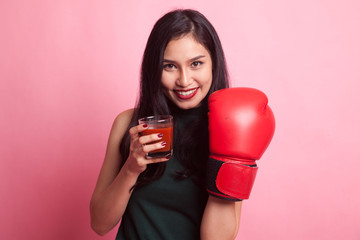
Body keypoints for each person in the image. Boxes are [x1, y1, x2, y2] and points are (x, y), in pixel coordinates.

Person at [90, 9, 242, 240]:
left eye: (196, 64)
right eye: (169, 66)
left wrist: (230, 157)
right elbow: (100, 224)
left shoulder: (230, 130)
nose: (184, 80)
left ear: (214, 63)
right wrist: (131, 169)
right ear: (154, 69)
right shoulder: (129, 125)